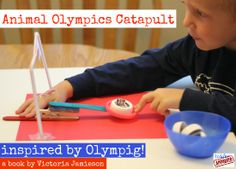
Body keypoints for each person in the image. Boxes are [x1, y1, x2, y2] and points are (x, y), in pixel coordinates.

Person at [16, 0, 236, 133]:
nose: (186, 21)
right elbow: (143, 68)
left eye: (200, 13)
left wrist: (186, 99)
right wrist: (71, 86)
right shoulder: (196, 47)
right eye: (186, 7)